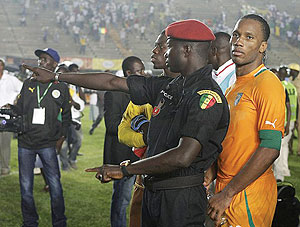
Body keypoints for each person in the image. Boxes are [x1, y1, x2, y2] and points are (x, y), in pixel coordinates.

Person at [23, 19, 230, 226]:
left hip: (180, 199)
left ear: (186, 50)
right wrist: (57, 77)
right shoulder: (172, 86)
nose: (166, 53)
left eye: (170, 46)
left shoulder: (206, 97)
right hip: (155, 191)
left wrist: (124, 170)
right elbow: (112, 82)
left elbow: (183, 156)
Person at [205, 14, 285, 226]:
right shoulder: (233, 87)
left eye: (249, 37)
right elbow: (231, 138)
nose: (239, 41)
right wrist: (212, 171)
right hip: (225, 188)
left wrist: (228, 193)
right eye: (236, 35)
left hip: (248, 193)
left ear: (262, 46)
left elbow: (270, 147)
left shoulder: (267, 83)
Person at [117, 29, 178, 227]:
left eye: (160, 46)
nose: (154, 50)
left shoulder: (192, 89)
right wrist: (148, 138)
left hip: (175, 182)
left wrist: (151, 132)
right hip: (144, 174)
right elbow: (123, 131)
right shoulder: (146, 90)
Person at [15, 48, 71, 227]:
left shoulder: (61, 87)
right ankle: (30, 222)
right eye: (40, 59)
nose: (41, 62)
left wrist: (60, 140)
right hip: (25, 142)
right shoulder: (28, 84)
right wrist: (10, 109)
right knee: (25, 188)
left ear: (55, 64)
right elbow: (20, 110)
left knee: (55, 186)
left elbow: (67, 118)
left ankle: (59, 222)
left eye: (46, 59)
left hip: (48, 144)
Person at [104, 56, 143, 227]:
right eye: (139, 71)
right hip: (122, 155)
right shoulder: (114, 93)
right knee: (122, 200)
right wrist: (138, 124)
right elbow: (112, 125)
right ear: (128, 73)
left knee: (136, 199)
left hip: (139, 156)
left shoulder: (142, 91)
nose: (143, 73)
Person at [0, 58, 23, 176]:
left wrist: (14, 100)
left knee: (4, 144)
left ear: (3, 66)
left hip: (5, 117)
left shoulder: (10, 79)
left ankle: (5, 168)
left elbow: (23, 89)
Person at [273, 67, 293, 182]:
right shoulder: (265, 88)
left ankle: (279, 176)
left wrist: (288, 123)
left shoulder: (282, 89)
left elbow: (289, 108)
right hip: (270, 123)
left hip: (280, 123)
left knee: (278, 150)